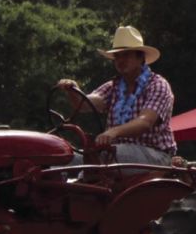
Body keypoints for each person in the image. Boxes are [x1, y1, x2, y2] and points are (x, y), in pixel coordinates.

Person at [55, 25, 178, 165]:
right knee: (64, 159)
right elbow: (84, 105)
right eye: (117, 56)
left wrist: (113, 132)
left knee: (104, 156)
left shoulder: (157, 85)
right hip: (115, 152)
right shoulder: (114, 87)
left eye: (126, 55)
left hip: (155, 155)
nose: (120, 60)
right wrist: (72, 90)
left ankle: (83, 180)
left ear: (140, 58)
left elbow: (145, 122)